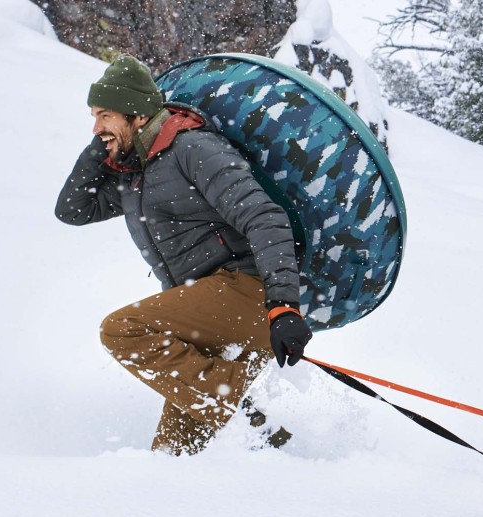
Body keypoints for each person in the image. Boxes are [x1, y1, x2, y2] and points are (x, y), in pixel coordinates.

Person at [56, 55, 312, 455]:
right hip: (205, 313)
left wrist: (282, 305)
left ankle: (241, 414)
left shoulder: (193, 148)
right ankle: (268, 441)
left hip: (248, 293)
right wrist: (102, 145)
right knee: (173, 459)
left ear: (137, 115)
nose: (95, 127)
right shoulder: (133, 175)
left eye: (104, 115)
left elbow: (265, 217)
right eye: (93, 117)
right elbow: (72, 210)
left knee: (122, 330)